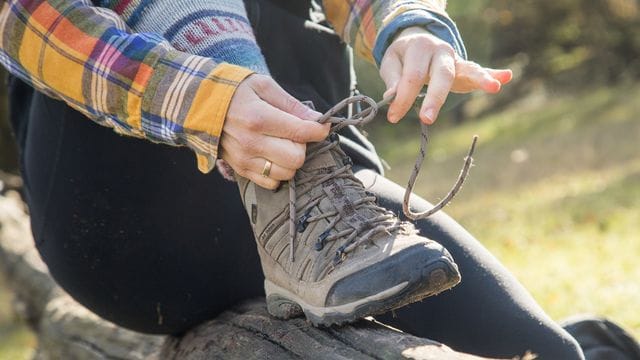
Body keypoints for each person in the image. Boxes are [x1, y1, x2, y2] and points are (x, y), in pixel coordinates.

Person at [0, 0, 584, 358]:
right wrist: (209, 104)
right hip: (129, 215)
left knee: (543, 351)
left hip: (326, 207)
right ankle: (271, 192)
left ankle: (294, 204)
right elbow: (23, 16)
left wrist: (406, 25)